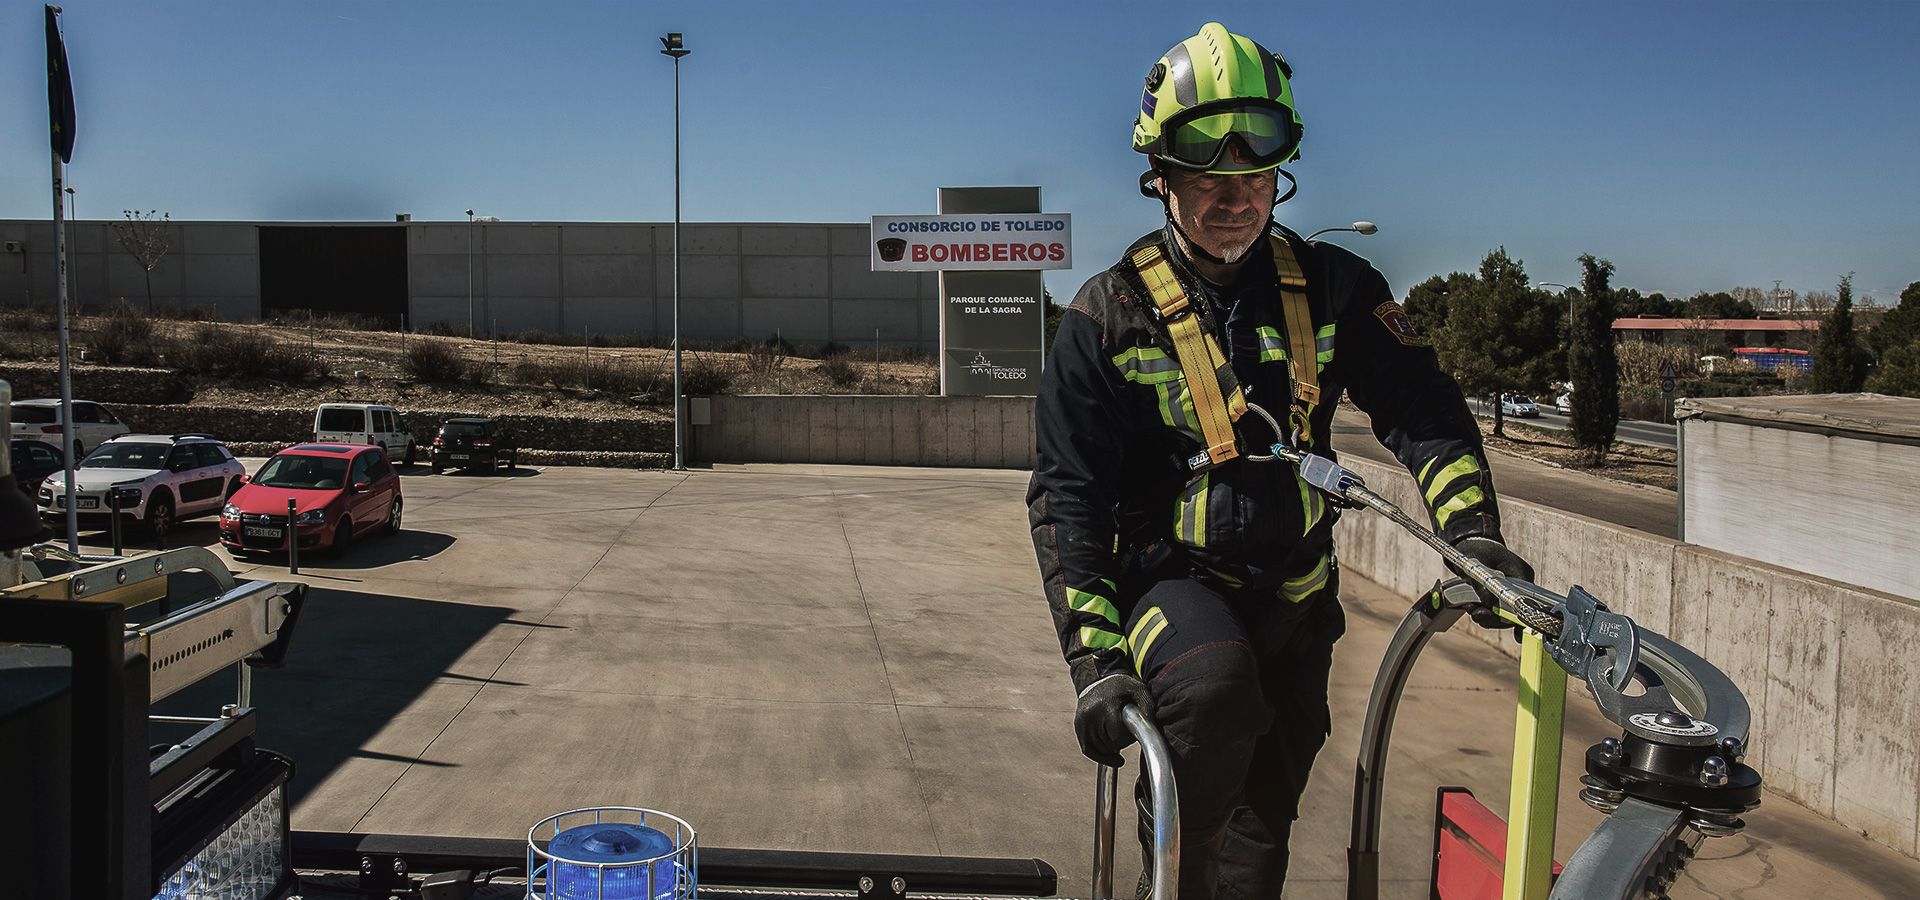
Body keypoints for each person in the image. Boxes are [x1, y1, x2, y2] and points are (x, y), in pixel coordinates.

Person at [1026, 22, 1533, 899]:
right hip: (1168, 592)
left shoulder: (1338, 288)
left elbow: (1424, 411)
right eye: (1207, 179)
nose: (1236, 200)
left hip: (1297, 606)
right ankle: (1169, 867)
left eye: (1254, 176)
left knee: (1266, 824)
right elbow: (1069, 497)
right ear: (1160, 178)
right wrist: (1095, 660)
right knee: (1213, 698)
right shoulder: (1105, 317)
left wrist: (1471, 535)